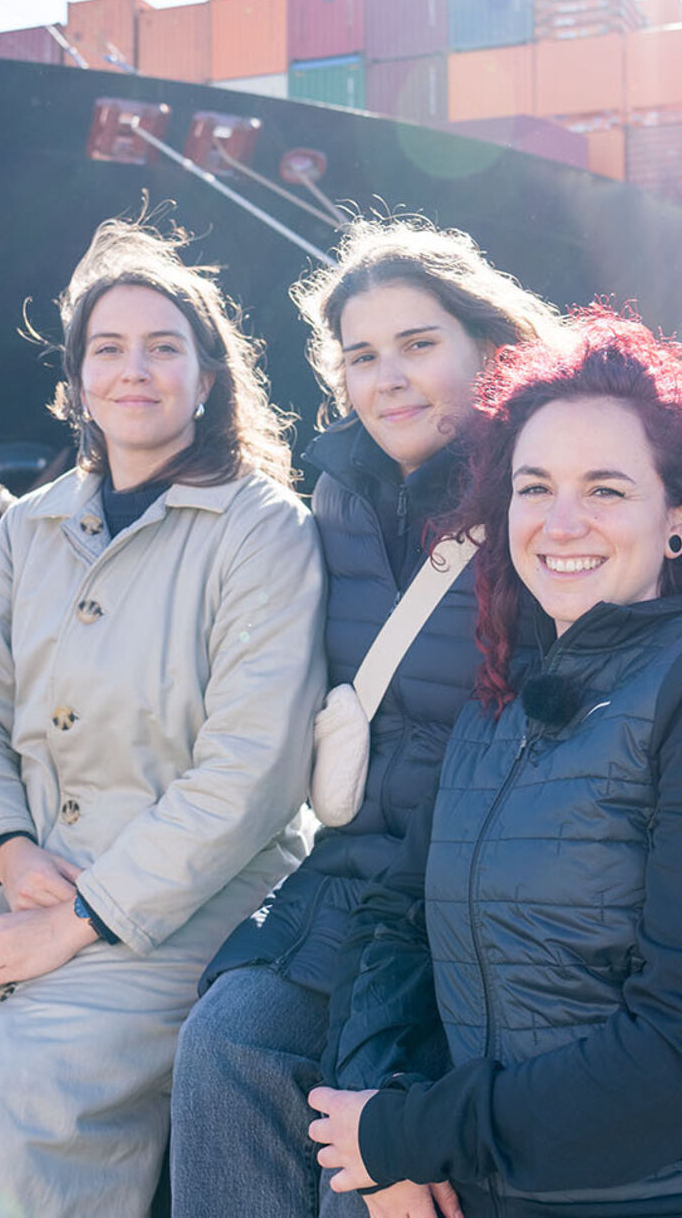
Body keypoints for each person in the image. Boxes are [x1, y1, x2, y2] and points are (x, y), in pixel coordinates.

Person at [308, 310, 682, 1217]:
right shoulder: (499, 705)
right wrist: (384, 1120)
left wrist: (406, 1134)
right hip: (519, 1180)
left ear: (679, 513)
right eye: (534, 488)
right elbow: (392, 922)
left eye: (606, 489)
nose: (561, 523)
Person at [0, 220, 327, 1218]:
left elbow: (252, 772)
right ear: (74, 384)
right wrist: (8, 855)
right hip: (19, 891)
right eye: (108, 349)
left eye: (165, 347)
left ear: (210, 378)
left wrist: (82, 916)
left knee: (25, 1125)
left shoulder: (264, 531)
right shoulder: (33, 529)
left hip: (178, 906)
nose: (135, 370)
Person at [169, 219, 562, 1218]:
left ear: (487, 348)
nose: (388, 377)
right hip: (355, 874)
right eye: (361, 356)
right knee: (226, 1044)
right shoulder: (338, 500)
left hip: (482, 899)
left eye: (419, 345)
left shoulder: (546, 501)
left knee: (368, 1173)